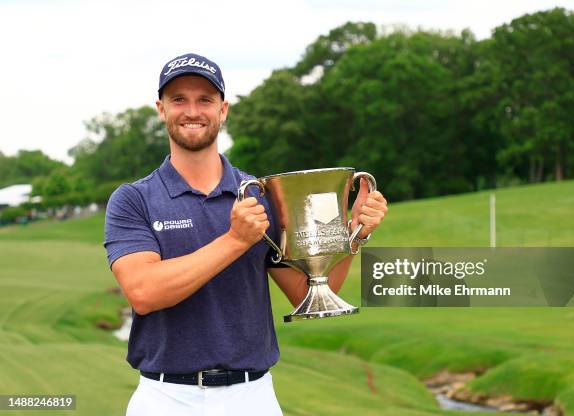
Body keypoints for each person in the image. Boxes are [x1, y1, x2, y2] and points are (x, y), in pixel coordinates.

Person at [104, 53, 388, 416]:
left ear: (223, 110)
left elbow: (311, 291)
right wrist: (236, 239)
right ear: (161, 109)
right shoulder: (133, 199)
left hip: (252, 396)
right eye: (179, 99)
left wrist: (352, 236)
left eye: (205, 99)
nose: (193, 110)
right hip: (166, 397)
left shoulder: (261, 195)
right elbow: (144, 292)